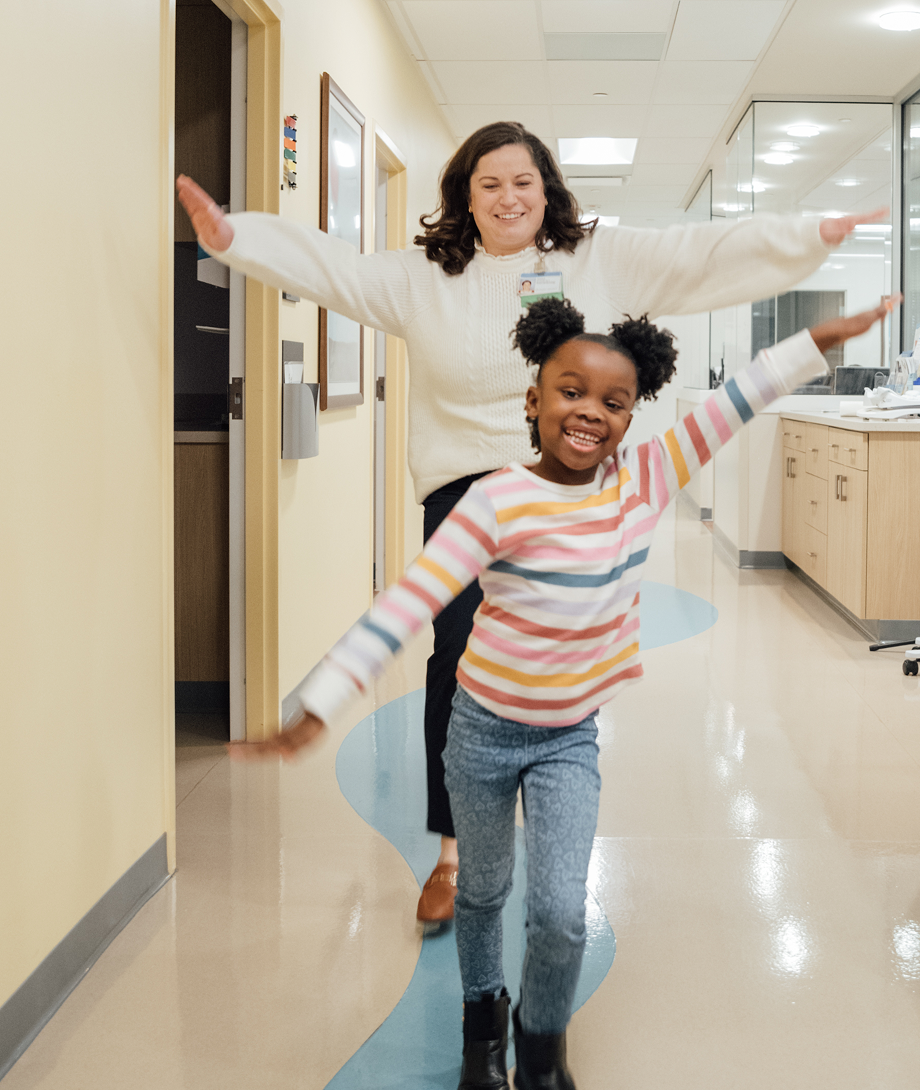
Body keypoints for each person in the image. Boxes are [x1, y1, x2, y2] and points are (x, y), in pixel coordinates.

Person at [176, 120, 886, 927]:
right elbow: (333, 269)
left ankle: (549, 786)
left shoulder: (596, 258)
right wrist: (235, 238)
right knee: (454, 654)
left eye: (522, 181)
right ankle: (453, 851)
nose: (508, 197)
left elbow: (702, 253)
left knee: (551, 652)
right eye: (489, 184)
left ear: (546, 189)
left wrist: (810, 235)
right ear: (464, 199)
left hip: (569, 484)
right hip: (463, 486)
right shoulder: (421, 278)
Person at [228, 294, 894, 1090]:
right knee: (481, 891)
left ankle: (539, 1041)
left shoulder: (644, 479)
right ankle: (483, 1025)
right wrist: (324, 700)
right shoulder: (496, 498)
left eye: (614, 402)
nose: (590, 413)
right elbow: (412, 597)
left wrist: (818, 342)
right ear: (534, 401)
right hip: (478, 733)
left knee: (559, 912)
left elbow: (736, 401)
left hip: (567, 739)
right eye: (570, 391)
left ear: (633, 416)